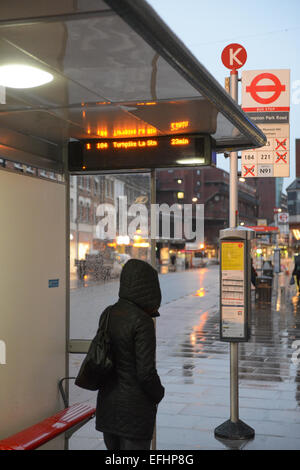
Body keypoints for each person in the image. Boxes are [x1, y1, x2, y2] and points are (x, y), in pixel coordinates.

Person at [96, 259, 165, 450]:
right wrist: (159, 393)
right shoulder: (142, 322)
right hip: (134, 411)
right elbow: (146, 373)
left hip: (108, 406)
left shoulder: (108, 313)